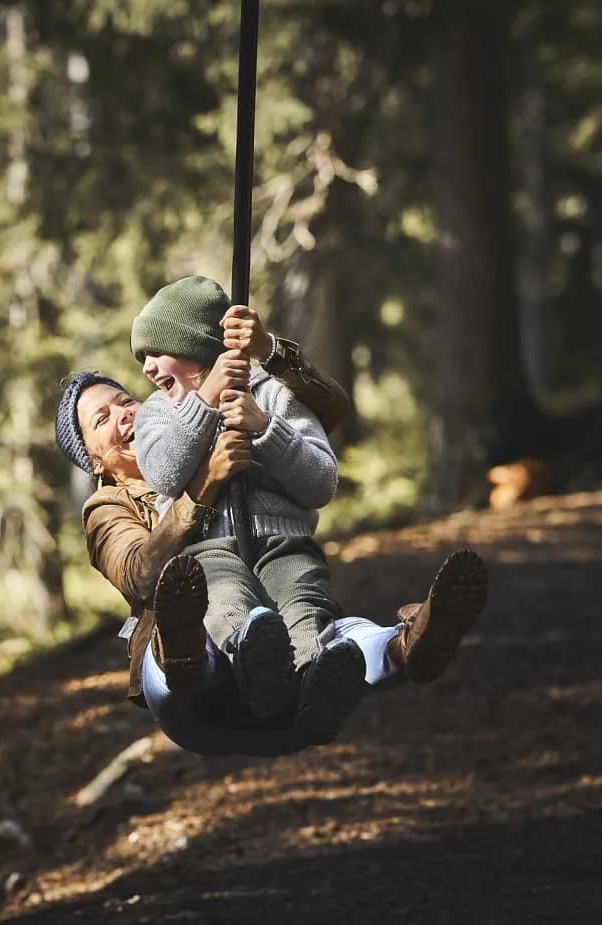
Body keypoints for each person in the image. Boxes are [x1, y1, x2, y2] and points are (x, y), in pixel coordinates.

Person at [56, 302, 487, 754]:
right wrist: (202, 486)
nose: (122, 414)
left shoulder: (193, 418)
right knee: (197, 613)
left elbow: (329, 408)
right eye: (101, 420)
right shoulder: (107, 506)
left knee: (327, 639)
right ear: (95, 462)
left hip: (275, 616)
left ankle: (409, 646)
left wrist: (266, 353)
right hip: (197, 696)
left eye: (124, 401)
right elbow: (139, 573)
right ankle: (189, 654)